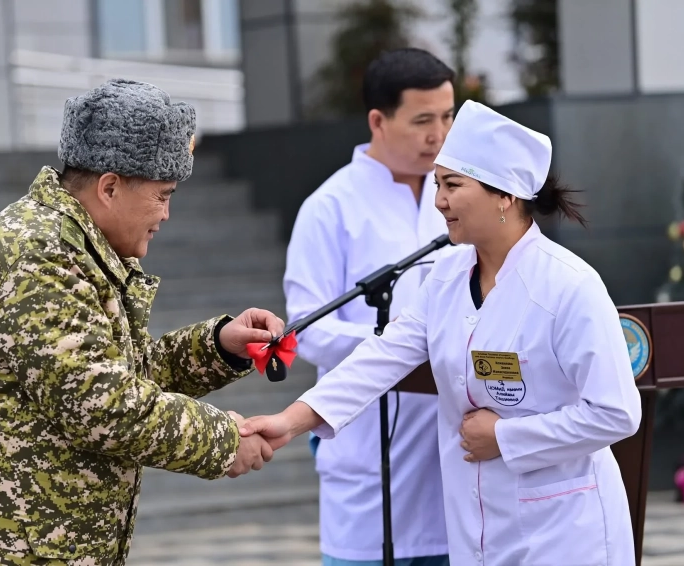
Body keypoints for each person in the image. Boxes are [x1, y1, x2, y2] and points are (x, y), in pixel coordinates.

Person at [0, 79, 284, 565]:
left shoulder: (74, 246)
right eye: (162, 195)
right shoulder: (36, 252)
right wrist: (222, 441)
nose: (167, 214)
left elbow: (113, 377)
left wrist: (216, 347)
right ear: (109, 188)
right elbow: (99, 405)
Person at [242, 100, 642, 565]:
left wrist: (507, 437)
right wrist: (288, 422)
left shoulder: (569, 286)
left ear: (505, 195)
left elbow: (616, 413)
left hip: (565, 534)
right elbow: (379, 359)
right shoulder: (446, 277)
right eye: (437, 184)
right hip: (479, 530)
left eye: (453, 185)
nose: (439, 201)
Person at [283, 48, 455, 566]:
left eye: (448, 117)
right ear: (378, 121)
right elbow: (306, 331)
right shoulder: (329, 207)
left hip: (451, 457)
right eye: (422, 121)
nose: (439, 135)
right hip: (368, 455)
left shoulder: (459, 199)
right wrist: (404, 344)